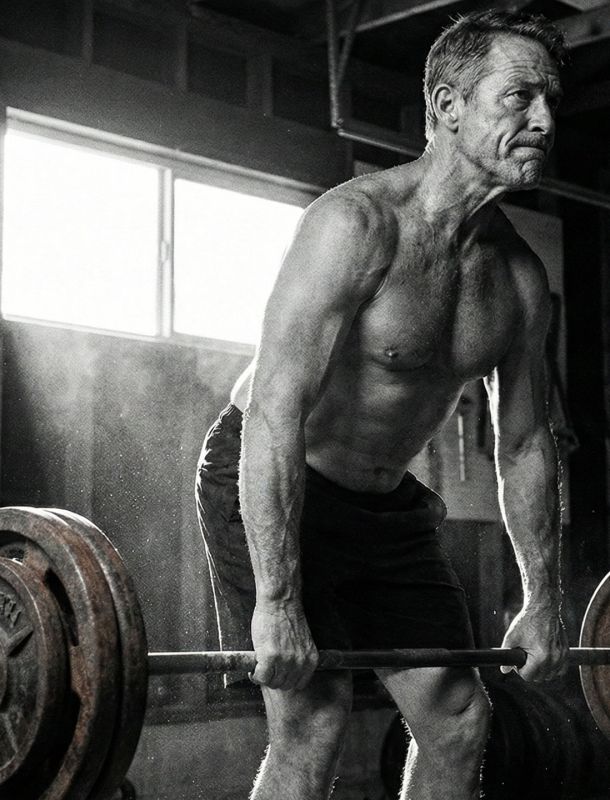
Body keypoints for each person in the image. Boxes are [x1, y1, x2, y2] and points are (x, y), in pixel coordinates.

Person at [196, 10, 569, 799]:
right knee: (314, 721)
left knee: (459, 718)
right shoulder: (354, 226)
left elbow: (526, 445)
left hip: (385, 510)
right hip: (271, 472)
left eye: (551, 101)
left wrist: (542, 598)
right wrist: (276, 601)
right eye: (520, 97)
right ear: (447, 106)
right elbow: (274, 413)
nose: (543, 120)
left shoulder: (520, 283)